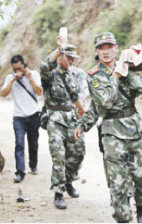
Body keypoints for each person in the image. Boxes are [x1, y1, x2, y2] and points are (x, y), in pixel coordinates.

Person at [74, 32, 142, 223]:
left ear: (116, 49)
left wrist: (133, 65)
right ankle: (123, 217)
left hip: (134, 128)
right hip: (111, 132)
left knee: (141, 176)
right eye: (102, 48)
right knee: (117, 181)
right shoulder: (93, 76)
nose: (106, 51)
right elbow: (104, 103)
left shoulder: (126, 67)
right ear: (96, 51)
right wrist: (84, 125)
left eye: (109, 47)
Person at [40, 37, 87, 209]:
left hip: (73, 118)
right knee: (58, 155)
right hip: (55, 119)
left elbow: (82, 94)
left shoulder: (78, 74)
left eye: (73, 58)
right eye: (68, 56)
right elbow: (44, 66)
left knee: (78, 153)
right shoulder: (50, 75)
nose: (71, 60)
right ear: (59, 57)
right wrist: (57, 50)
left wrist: (82, 112)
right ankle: (58, 192)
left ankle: (68, 181)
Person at [0, 55, 42, 183]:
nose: (17, 71)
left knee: (33, 143)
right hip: (18, 116)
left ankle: (33, 165)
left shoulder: (34, 74)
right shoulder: (10, 78)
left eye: (19, 68)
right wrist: (13, 80)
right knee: (19, 144)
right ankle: (20, 171)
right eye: (14, 69)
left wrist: (30, 79)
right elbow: (3, 93)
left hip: (33, 114)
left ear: (24, 65)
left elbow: (39, 92)